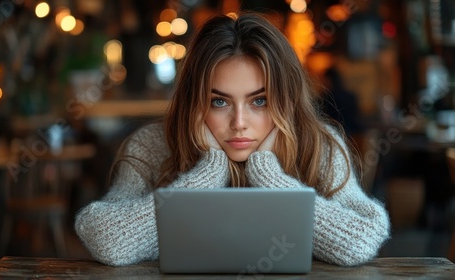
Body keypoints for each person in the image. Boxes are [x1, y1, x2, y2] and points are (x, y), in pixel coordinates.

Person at [75, 13, 390, 267]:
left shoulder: (318, 145)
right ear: (194, 102)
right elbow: (107, 240)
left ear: (287, 101)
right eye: (219, 102)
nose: (239, 124)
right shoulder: (154, 145)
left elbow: (361, 241)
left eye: (259, 101)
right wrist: (205, 174)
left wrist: (271, 177)